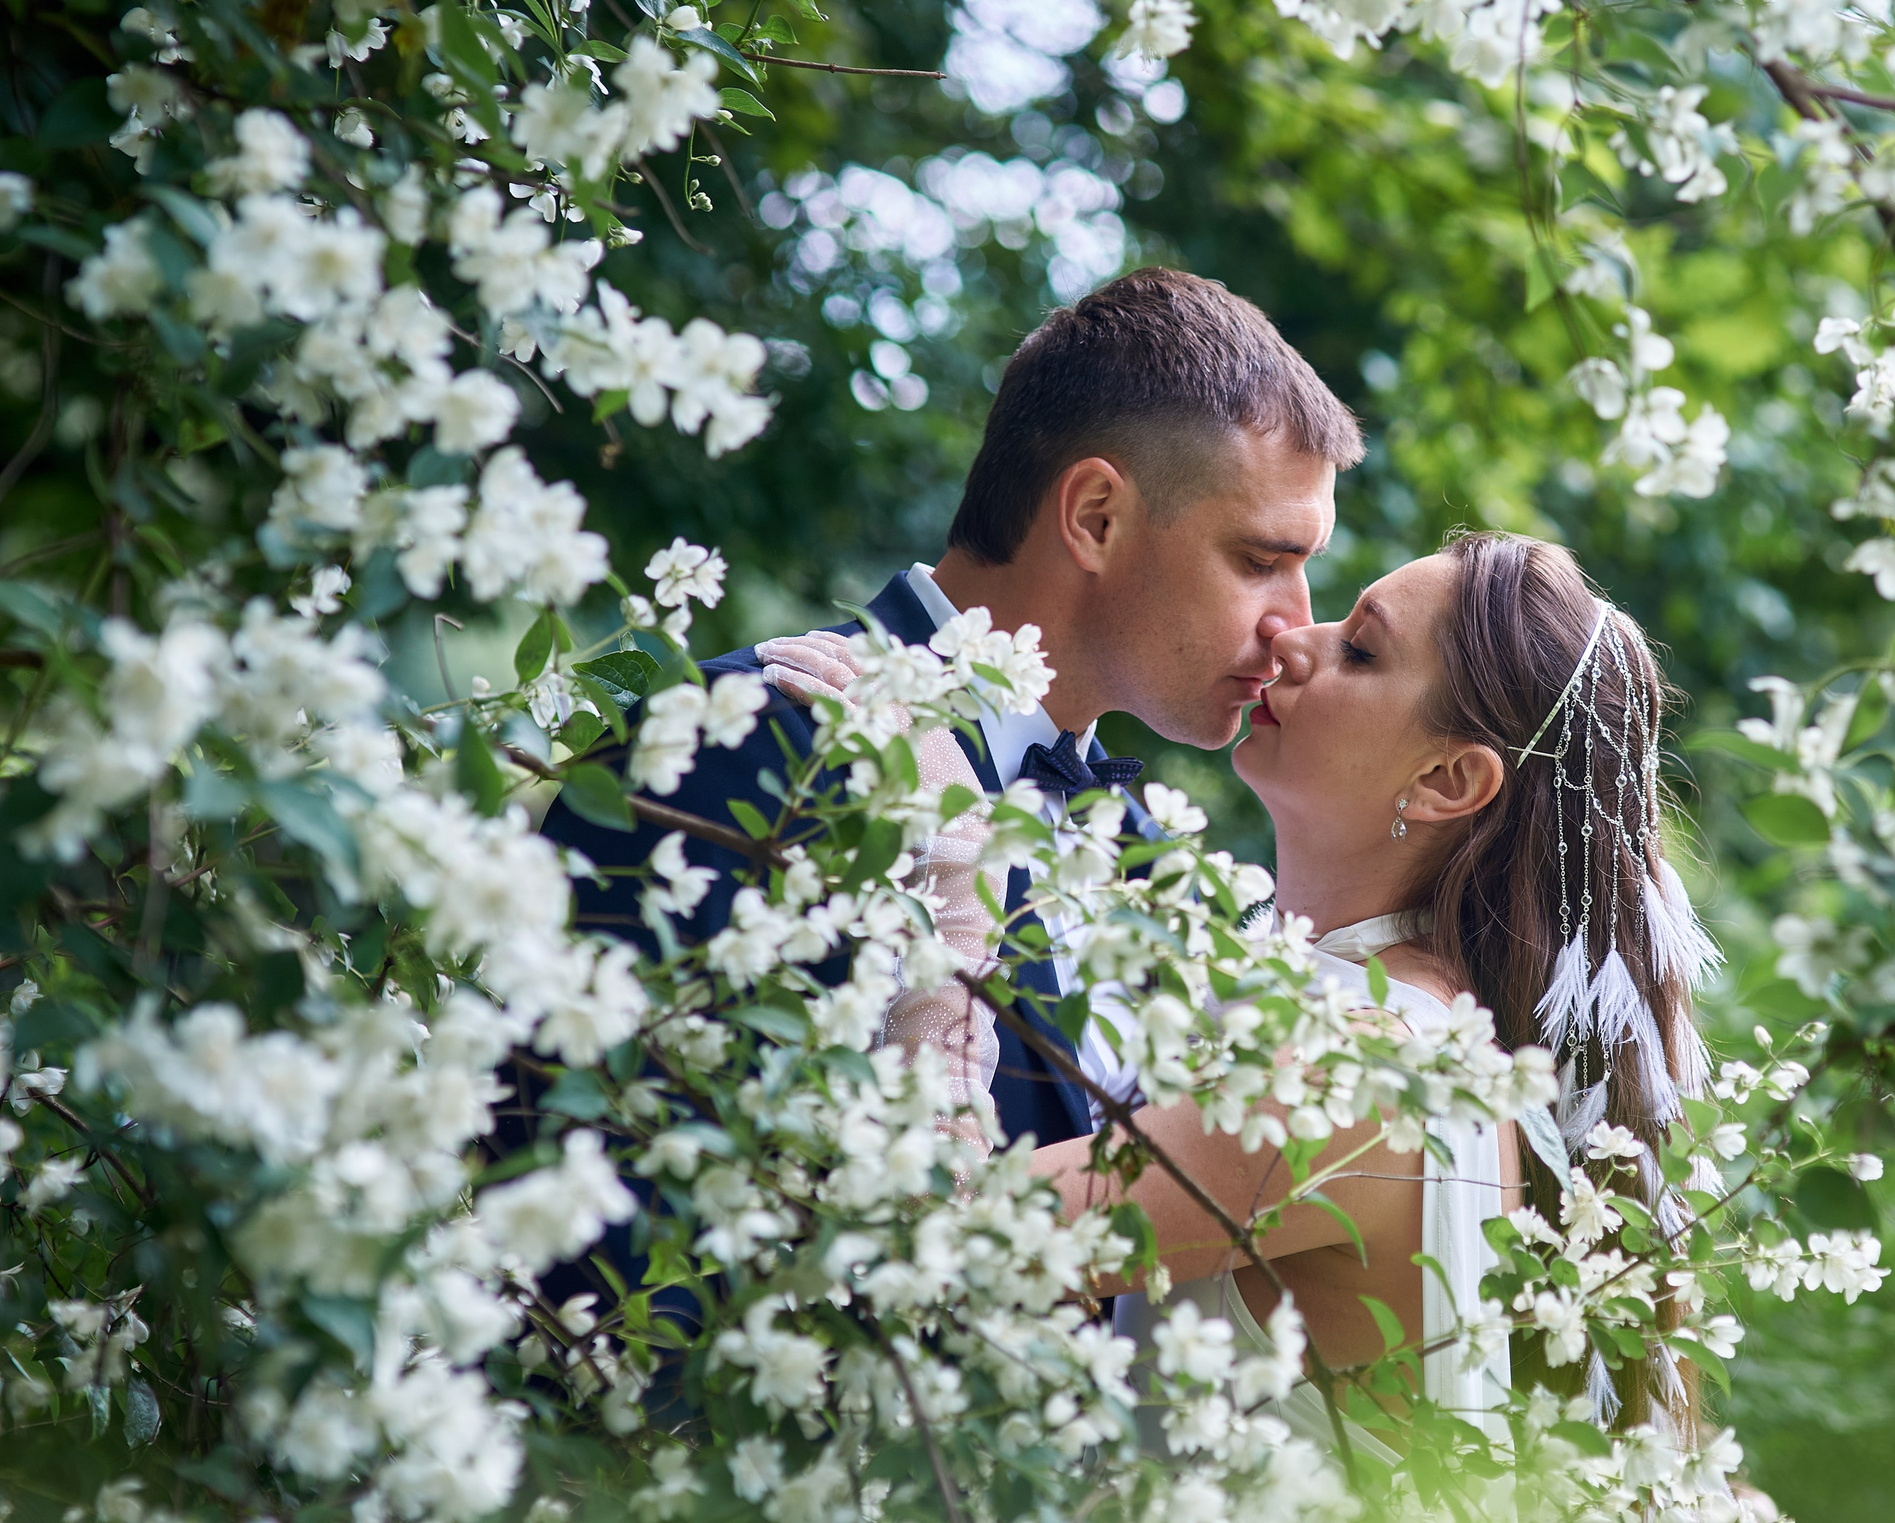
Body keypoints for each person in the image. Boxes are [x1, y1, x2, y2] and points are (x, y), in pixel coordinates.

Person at [766, 531, 1716, 1454]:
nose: (1289, 639)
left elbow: (945, 1242)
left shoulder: (1365, 1075)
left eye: (1359, 649)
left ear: (1446, 778)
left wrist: (953, 864)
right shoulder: (1358, 1013)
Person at [540, 267, 1365, 1151]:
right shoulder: (743, 737)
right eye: (1258, 560)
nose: (1296, 626)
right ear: (1094, 517)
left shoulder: (1151, 868)